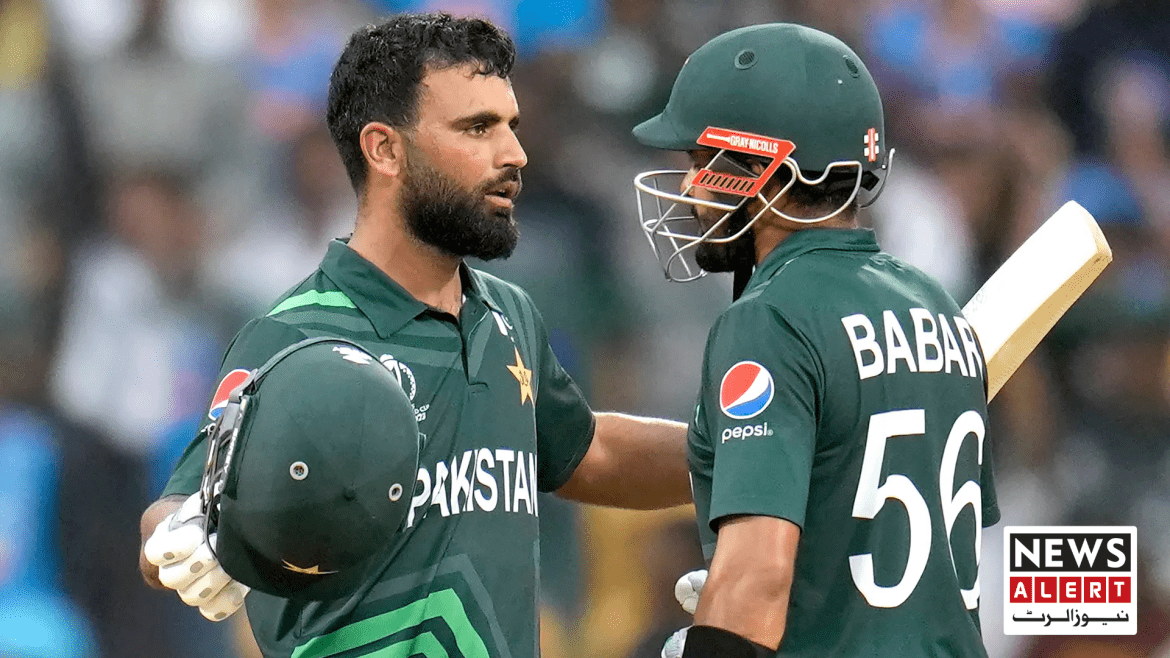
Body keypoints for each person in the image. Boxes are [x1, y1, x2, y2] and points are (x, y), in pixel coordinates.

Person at [138, 13, 691, 658]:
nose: (514, 154)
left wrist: (762, 450)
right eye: (477, 128)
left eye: (511, 125)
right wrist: (190, 535)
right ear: (385, 150)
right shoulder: (294, 336)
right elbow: (175, 514)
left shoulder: (509, 315)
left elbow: (588, 453)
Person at [630, 23, 999, 658]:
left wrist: (718, 637)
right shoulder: (938, 305)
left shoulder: (769, 319)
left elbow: (758, 577)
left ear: (768, 169)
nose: (689, 188)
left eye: (702, 164)